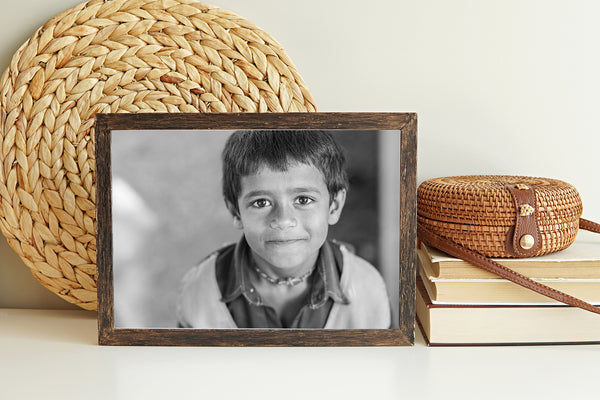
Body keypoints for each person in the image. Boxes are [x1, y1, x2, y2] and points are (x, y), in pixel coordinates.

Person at [176, 130, 391, 329]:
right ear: (236, 212)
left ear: (334, 206)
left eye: (303, 199)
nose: (283, 220)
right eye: (261, 203)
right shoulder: (200, 289)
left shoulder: (367, 289)